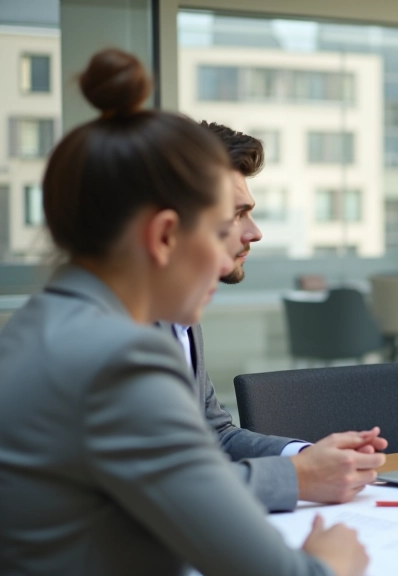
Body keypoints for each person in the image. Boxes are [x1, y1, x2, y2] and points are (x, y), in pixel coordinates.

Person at [0, 48, 365, 576]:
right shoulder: (118, 360)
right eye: (220, 231)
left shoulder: (42, 328)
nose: (228, 254)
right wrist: (331, 560)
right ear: (165, 235)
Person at [160, 122, 386, 512]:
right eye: (237, 215)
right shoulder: (112, 334)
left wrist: (307, 456)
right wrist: (300, 478)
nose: (255, 233)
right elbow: (164, 484)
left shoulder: (180, 316)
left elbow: (213, 434)